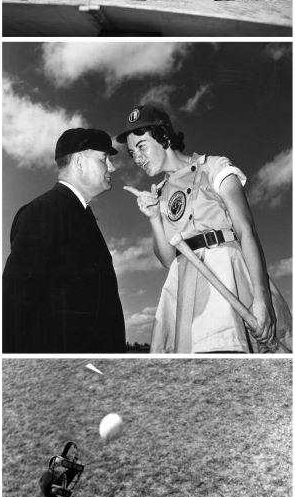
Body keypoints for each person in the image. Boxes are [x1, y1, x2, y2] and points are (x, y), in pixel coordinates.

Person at [117, 105, 292, 353]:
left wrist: (261, 299)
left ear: (164, 137)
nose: (137, 158)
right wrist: (155, 217)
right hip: (187, 289)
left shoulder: (215, 167)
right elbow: (168, 260)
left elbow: (246, 231)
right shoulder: (161, 194)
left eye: (142, 146)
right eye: (132, 153)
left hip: (229, 277)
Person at [3, 128, 126, 354]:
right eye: (104, 159)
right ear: (79, 162)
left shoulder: (81, 215)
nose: (112, 167)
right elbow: (13, 307)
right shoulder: (44, 212)